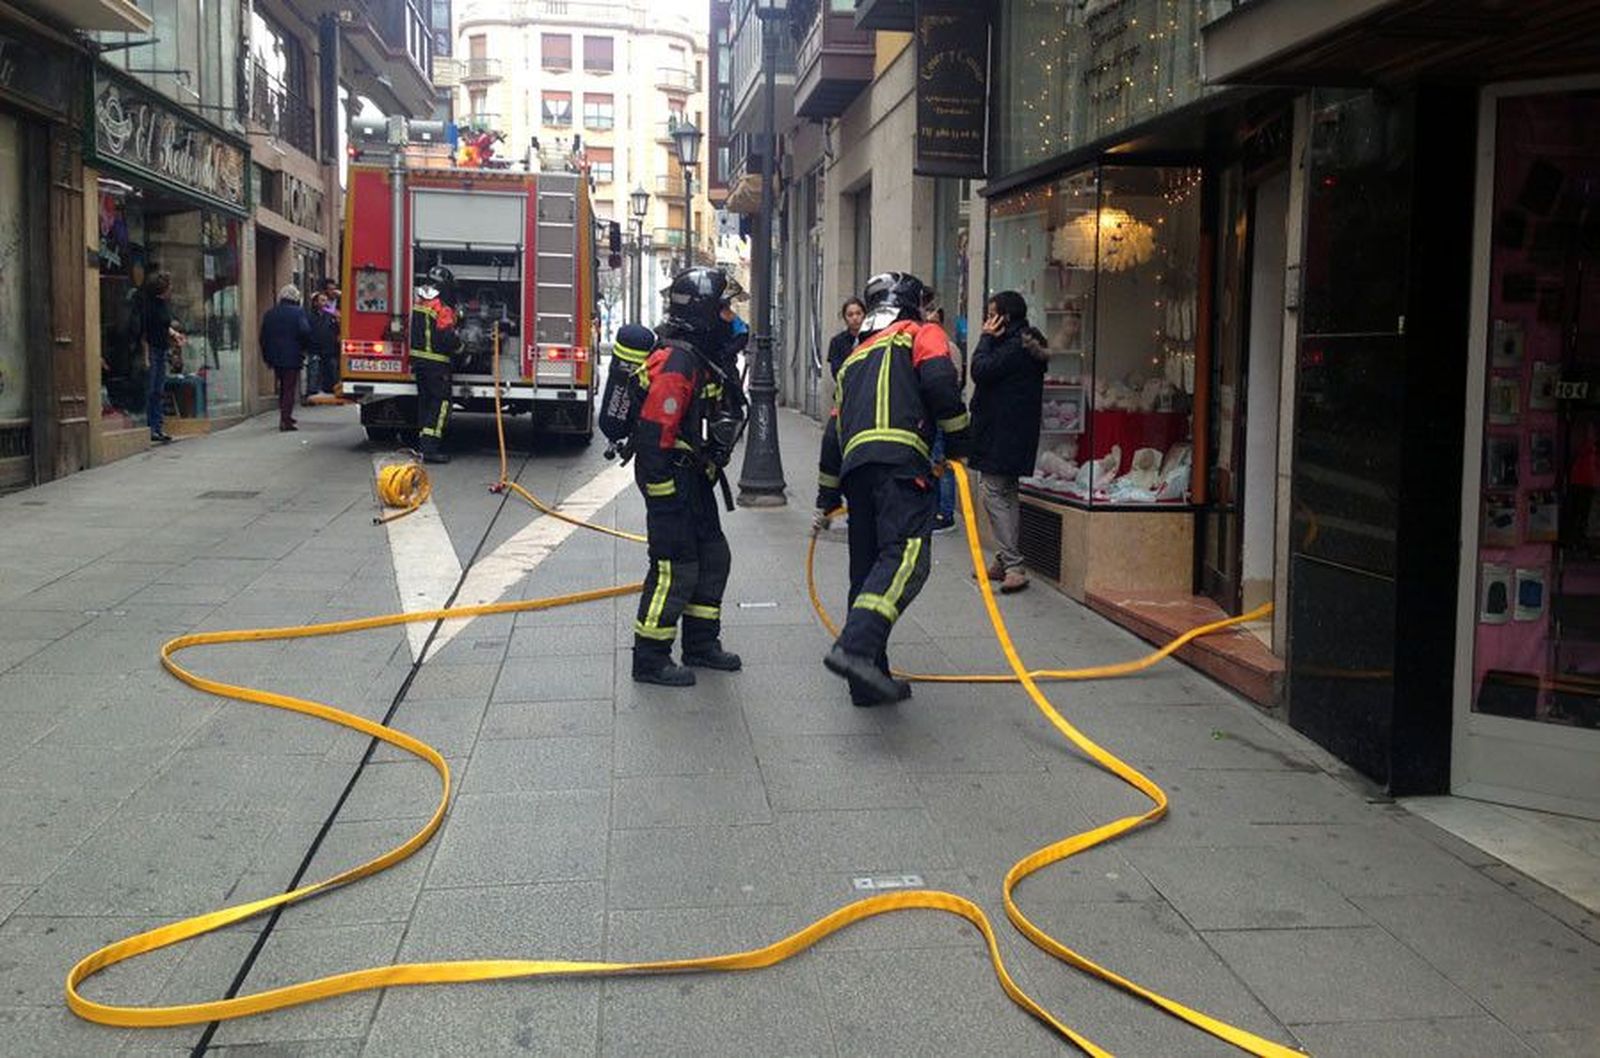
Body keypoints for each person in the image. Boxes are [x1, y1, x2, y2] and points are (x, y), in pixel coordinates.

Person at [814, 272, 970, 706]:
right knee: (906, 558)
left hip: (856, 473)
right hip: (900, 467)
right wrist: (959, 441)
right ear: (911, 304)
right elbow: (940, 383)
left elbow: (832, 436)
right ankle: (855, 648)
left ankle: (866, 683)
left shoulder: (855, 358)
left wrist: (827, 497)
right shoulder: (921, 334)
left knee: (864, 572)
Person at [630, 267, 746, 688]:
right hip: (671, 479)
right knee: (674, 566)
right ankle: (650, 657)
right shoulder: (679, 360)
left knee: (713, 558)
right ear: (703, 312)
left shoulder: (702, 357)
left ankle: (700, 645)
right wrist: (664, 496)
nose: (730, 316)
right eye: (724, 309)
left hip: (693, 476)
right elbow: (653, 434)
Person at [969, 290, 1048, 594]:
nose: (988, 320)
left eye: (992, 314)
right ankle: (1004, 560)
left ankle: (1014, 564)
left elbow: (980, 370)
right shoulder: (1025, 344)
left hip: (1001, 432)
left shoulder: (1014, 347)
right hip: (1013, 430)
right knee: (1007, 492)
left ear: (1005, 316)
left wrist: (986, 338)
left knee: (991, 492)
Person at [410, 265, 462, 464]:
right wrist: (460, 347)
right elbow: (447, 337)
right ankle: (430, 448)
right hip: (437, 365)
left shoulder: (419, 303)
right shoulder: (442, 308)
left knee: (425, 403)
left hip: (420, 364)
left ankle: (423, 444)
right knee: (441, 404)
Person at [260, 284, 311, 432]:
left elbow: (263, 337)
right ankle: (285, 419)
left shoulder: (270, 313)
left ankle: (285, 415)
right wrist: (304, 348)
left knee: (283, 387)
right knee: (289, 388)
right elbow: (305, 331)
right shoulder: (298, 313)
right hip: (292, 356)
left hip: (275, 357)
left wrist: (267, 356)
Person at [142, 272, 186, 445]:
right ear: (162, 289)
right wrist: (145, 357)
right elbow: (144, 333)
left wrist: (175, 334)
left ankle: (158, 428)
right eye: (169, 286)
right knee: (152, 390)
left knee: (159, 390)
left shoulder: (163, 305)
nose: (171, 289)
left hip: (161, 350)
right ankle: (150, 428)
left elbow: (165, 325)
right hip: (152, 350)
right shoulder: (149, 307)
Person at [927, 306, 960, 534]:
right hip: (929, 415)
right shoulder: (926, 347)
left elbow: (954, 382)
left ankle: (945, 513)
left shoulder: (950, 348)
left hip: (942, 414)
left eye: (934, 323)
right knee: (934, 464)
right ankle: (935, 509)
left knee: (943, 464)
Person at [305, 292, 341, 400]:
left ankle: (330, 389)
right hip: (314, 347)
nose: (325, 303)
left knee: (330, 369)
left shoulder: (330, 315)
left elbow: (336, 329)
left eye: (326, 300)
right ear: (315, 303)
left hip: (329, 348)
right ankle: (312, 392)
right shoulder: (310, 316)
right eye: (322, 300)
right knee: (314, 370)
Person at [826, 297, 867, 379]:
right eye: (850, 315)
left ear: (864, 315)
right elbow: (836, 371)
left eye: (858, 313)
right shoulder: (837, 342)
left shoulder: (873, 338)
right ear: (845, 318)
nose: (855, 318)